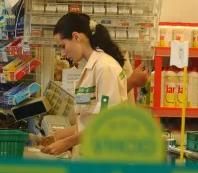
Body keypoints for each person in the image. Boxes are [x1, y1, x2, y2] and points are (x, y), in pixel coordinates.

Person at [41, 12, 132, 156]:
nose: (63, 53)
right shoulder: (90, 67)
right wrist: (59, 136)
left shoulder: (105, 67)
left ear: (76, 37)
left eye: (63, 46)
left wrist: (66, 143)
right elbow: (88, 120)